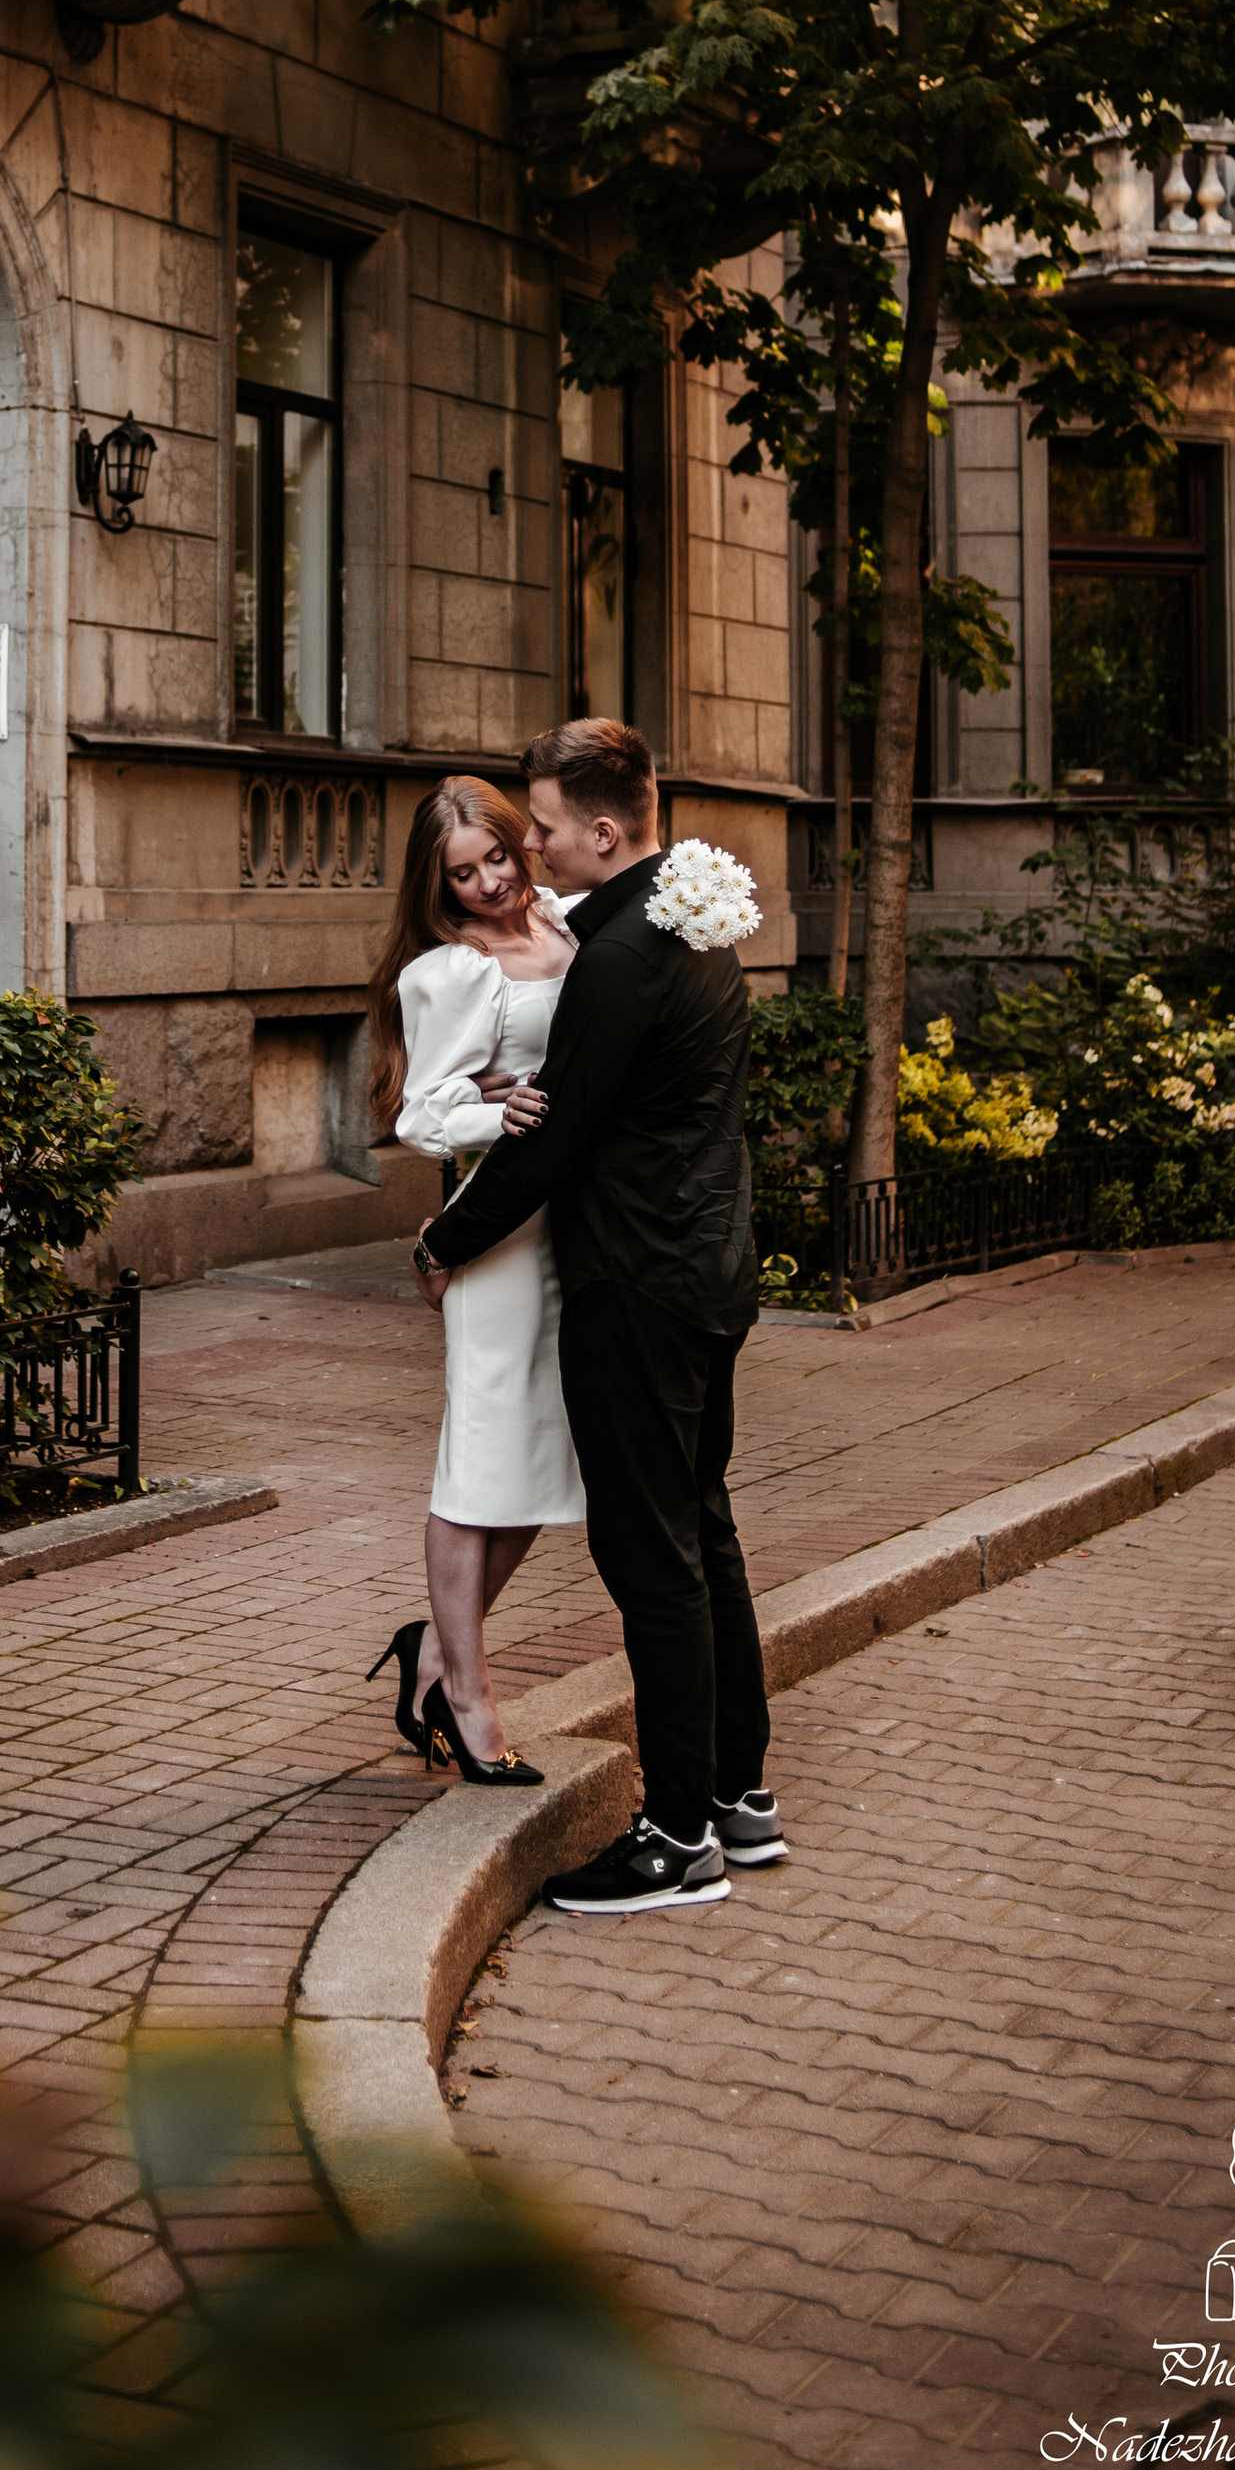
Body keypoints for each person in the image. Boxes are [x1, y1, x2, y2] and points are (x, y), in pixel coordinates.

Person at [412, 718, 786, 1914]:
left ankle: (678, 1838)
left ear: (605, 830)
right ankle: (738, 1795)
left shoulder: (621, 954)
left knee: (653, 1559)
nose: (536, 851)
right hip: (708, 1273)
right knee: (703, 1531)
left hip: (636, 1286)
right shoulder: (687, 921)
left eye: (550, 830)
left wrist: (444, 1238)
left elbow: (557, 1138)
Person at [362, 776, 584, 1786]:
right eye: (464, 874)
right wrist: (501, 1112)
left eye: (497, 855)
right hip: (500, 1240)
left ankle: (436, 1655)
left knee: (541, 1471)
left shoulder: (564, 919)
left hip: (575, 1231)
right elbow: (419, 1116)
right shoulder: (452, 969)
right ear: (437, 885)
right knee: (478, 1464)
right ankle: (468, 1697)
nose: (491, 883)